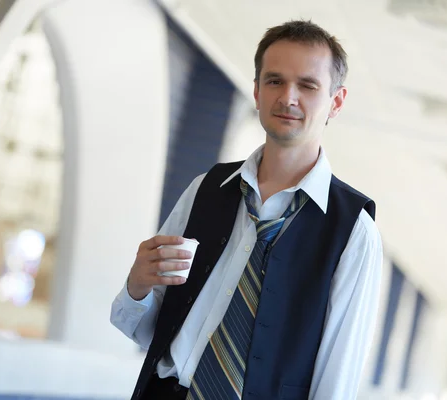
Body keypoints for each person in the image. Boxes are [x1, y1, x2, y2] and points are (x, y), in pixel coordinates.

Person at [111, 20, 383, 400]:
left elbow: (337, 375)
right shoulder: (206, 189)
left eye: (307, 85)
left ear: (335, 102)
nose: (288, 97)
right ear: (256, 91)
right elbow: (140, 329)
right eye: (274, 81)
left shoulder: (354, 230)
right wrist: (137, 286)